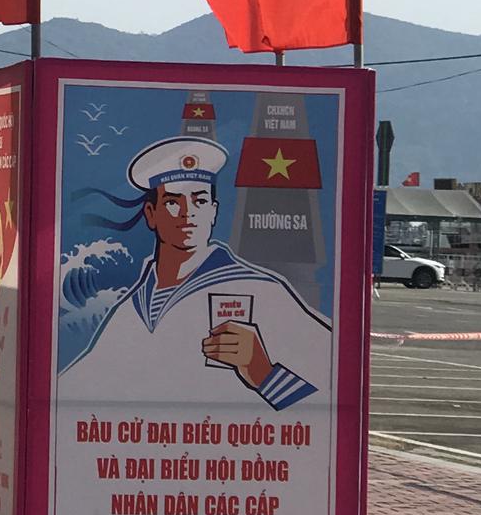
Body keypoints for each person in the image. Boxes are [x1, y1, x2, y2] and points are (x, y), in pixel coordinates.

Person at [57, 136, 331, 411]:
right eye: (173, 202)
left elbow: (337, 393)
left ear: (213, 212)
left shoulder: (259, 290)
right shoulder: (133, 308)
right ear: (151, 214)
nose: (188, 213)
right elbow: (72, 391)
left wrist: (263, 375)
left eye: (199, 201)